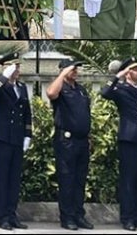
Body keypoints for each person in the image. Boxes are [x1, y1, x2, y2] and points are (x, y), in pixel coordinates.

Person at [101, 58, 137, 231]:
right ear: (128, 72)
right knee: (129, 180)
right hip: (129, 138)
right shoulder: (121, 89)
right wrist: (119, 76)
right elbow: (105, 92)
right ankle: (127, 218)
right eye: (136, 70)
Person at [0, 53, 32, 231]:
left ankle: (12, 214)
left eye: (18, 67)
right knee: (2, 179)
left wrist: (28, 134)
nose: (17, 70)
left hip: (17, 137)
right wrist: (4, 76)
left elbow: (27, 112)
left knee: (14, 179)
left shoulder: (21, 87)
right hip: (2, 138)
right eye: (14, 67)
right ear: (6, 68)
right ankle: (2, 217)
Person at [47, 58, 92, 231]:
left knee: (80, 180)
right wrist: (63, 74)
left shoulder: (80, 90)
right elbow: (51, 93)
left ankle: (78, 215)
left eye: (76, 69)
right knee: (67, 179)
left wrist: (89, 135)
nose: (75, 71)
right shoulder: (60, 88)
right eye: (72, 69)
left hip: (82, 140)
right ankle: (67, 218)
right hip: (66, 141)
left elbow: (85, 114)